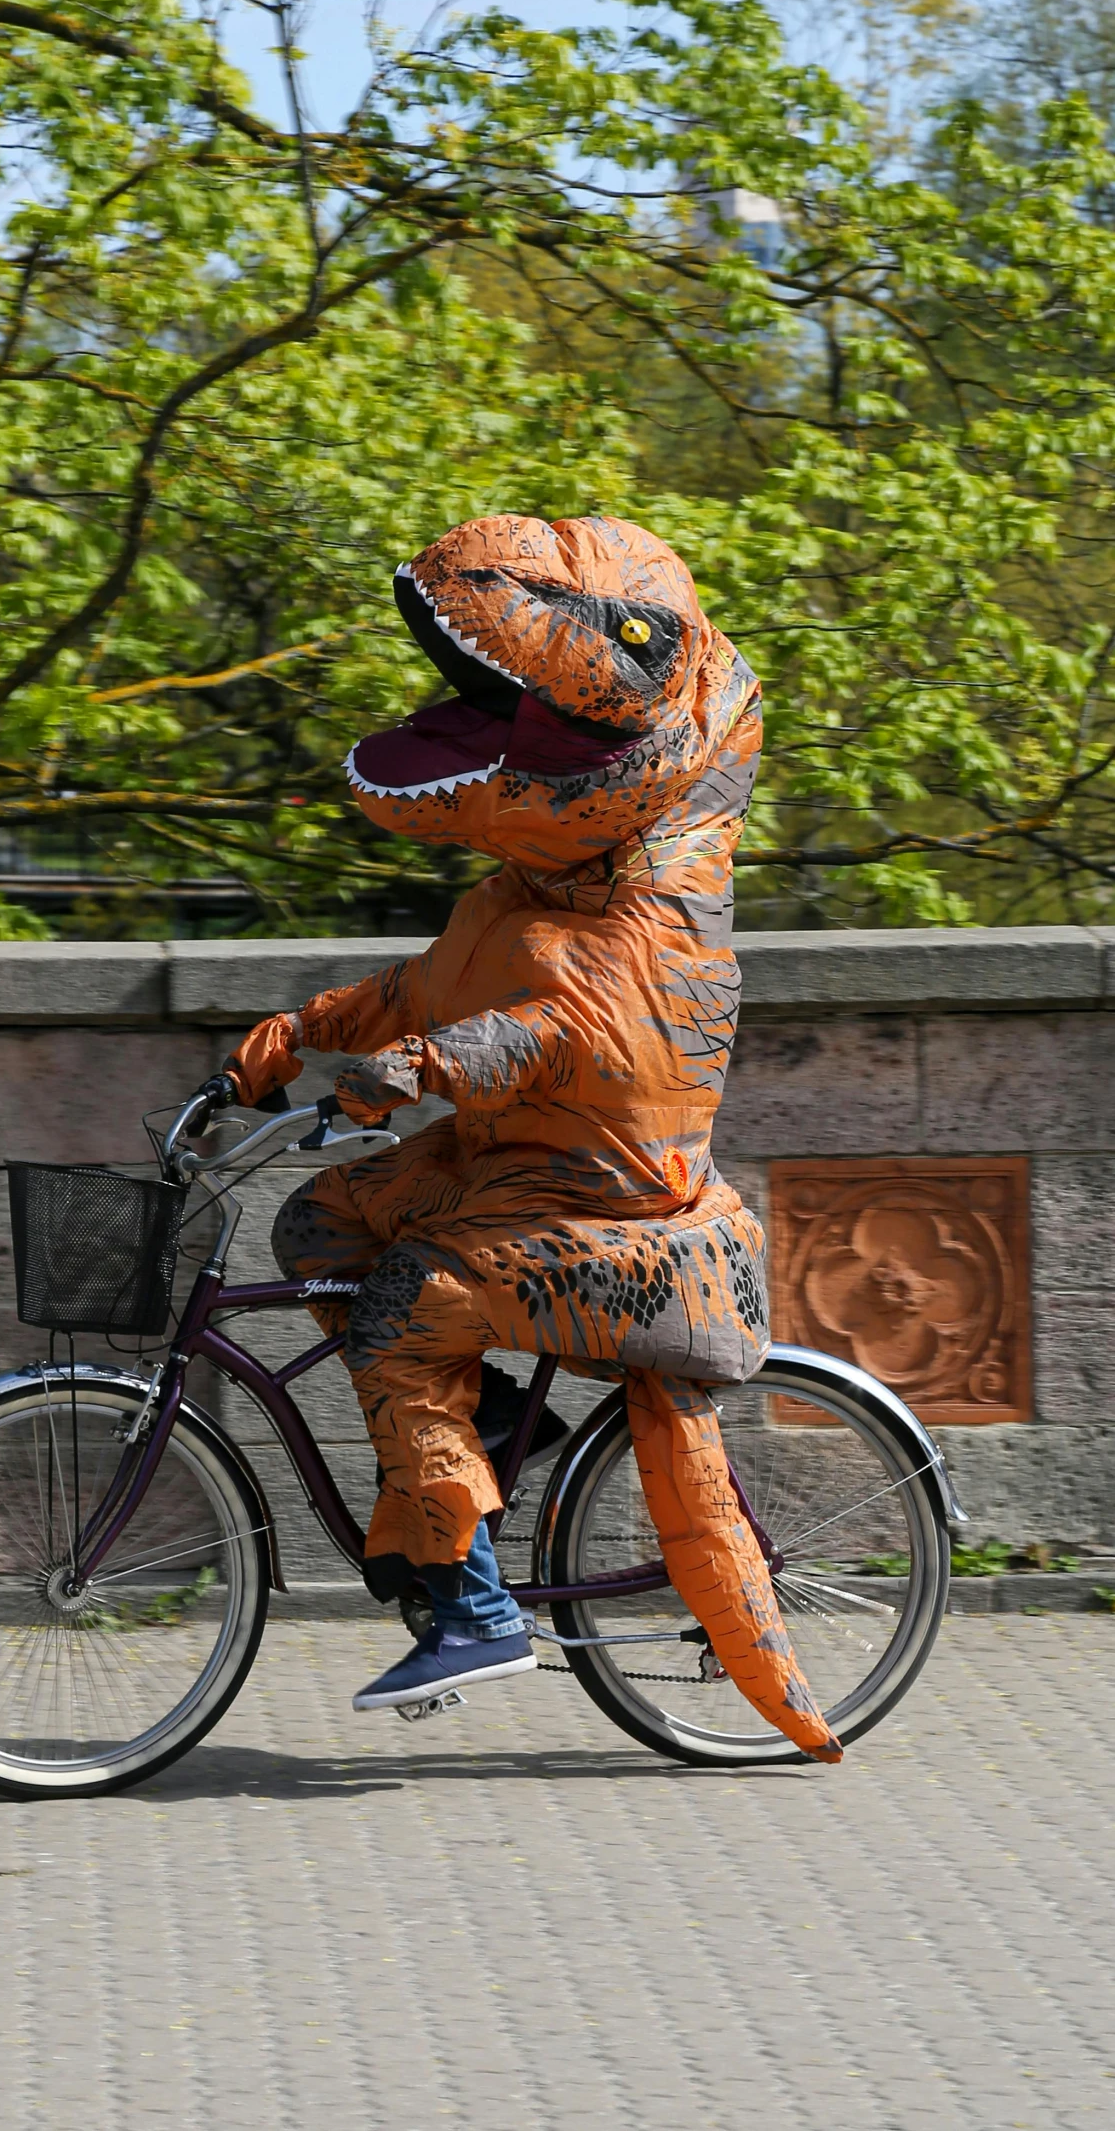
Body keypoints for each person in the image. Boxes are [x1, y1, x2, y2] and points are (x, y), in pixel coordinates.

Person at [224, 512, 841, 1759]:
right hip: (507, 1175)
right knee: (319, 1222)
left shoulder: (655, 906)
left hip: (620, 1215)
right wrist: (309, 1031)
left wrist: (412, 1071)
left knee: (407, 1301)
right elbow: (440, 985)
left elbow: (552, 1030)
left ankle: (475, 1604)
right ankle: (498, 1428)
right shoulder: (528, 881)